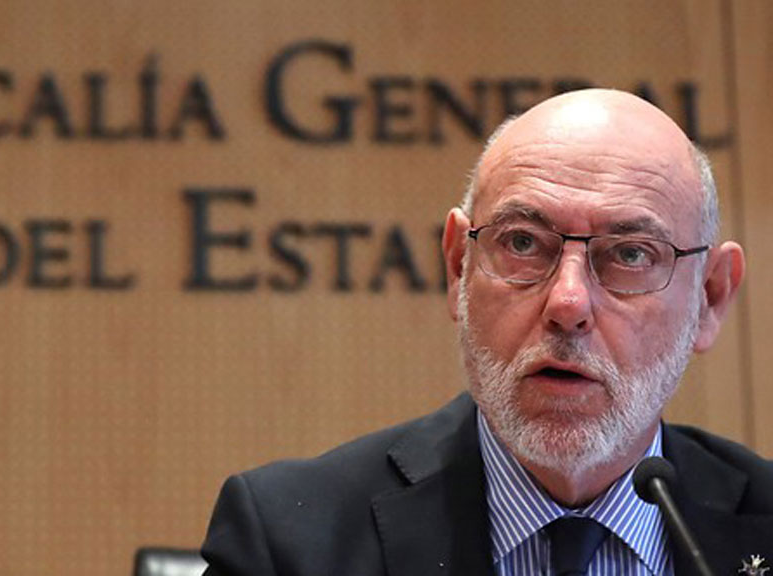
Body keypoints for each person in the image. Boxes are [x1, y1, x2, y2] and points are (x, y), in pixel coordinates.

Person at [199, 89, 773, 576]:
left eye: (629, 254)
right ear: (458, 267)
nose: (568, 303)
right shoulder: (291, 543)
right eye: (522, 242)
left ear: (709, 296)